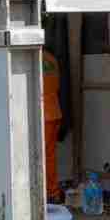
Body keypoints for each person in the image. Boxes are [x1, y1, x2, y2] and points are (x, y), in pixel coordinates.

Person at [42, 49, 63, 202]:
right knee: (49, 155)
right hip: (54, 111)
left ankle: (49, 192)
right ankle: (53, 192)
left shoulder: (32, 58)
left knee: (40, 155)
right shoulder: (50, 58)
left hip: (41, 114)